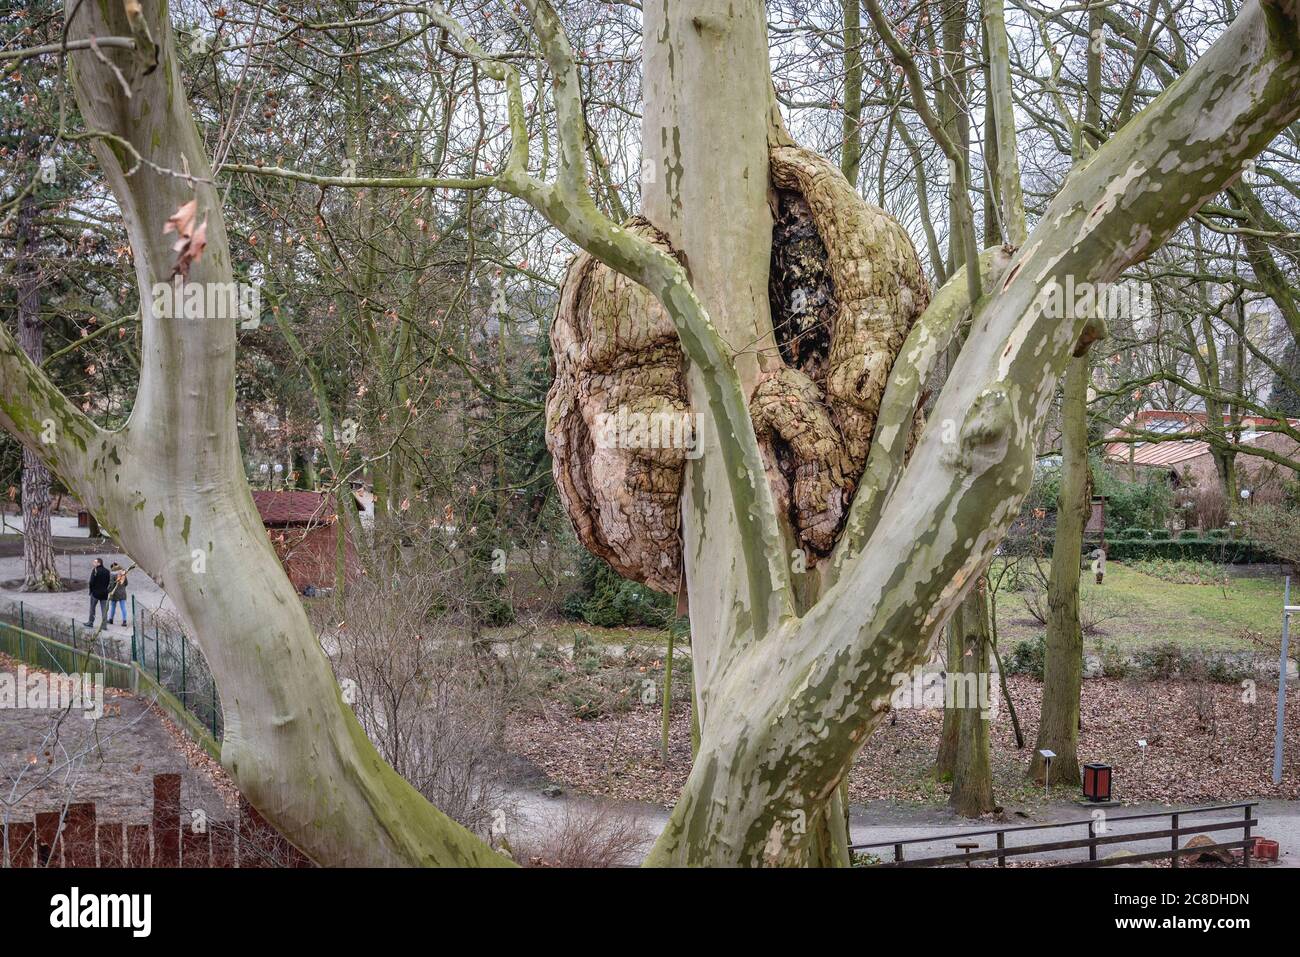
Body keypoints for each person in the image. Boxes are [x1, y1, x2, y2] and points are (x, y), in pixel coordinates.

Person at [84, 558, 109, 628]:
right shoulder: (107, 571)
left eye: (95, 562)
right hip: (104, 593)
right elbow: (109, 582)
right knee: (104, 610)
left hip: (95, 593)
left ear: (99, 563)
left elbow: (91, 582)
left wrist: (91, 591)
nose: (93, 563)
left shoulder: (95, 571)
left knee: (92, 608)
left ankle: (91, 622)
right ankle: (104, 625)